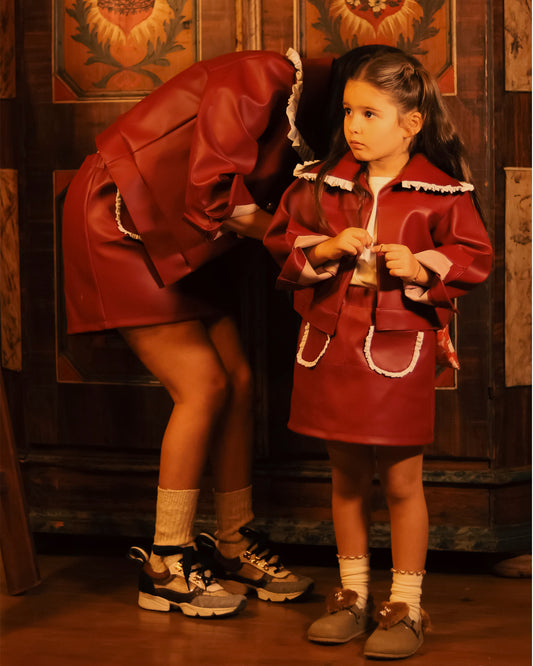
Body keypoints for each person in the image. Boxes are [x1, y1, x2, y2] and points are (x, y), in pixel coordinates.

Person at [61, 47, 338, 618]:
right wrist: (303, 242)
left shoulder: (314, 125)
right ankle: (165, 561)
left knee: (237, 380)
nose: (360, 122)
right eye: (359, 108)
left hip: (181, 235)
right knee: (203, 385)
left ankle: (232, 542)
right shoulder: (265, 75)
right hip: (120, 219)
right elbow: (214, 192)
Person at [263, 48, 493, 658]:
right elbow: (282, 241)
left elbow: (473, 257)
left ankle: (406, 606)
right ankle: (353, 596)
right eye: (348, 112)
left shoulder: (441, 193)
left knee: (401, 482)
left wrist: (418, 266)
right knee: (344, 477)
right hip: (330, 350)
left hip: (396, 354)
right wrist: (326, 248)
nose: (354, 127)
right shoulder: (319, 184)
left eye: (370, 114)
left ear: (412, 123)